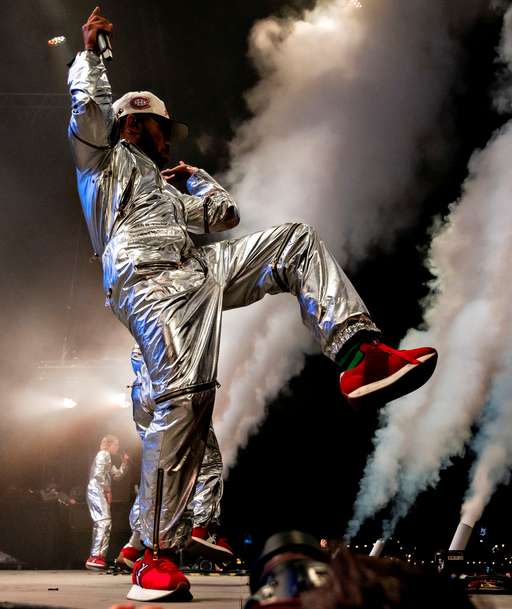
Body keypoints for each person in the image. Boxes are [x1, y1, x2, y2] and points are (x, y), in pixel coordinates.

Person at [68, 7, 437, 602]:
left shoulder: (172, 189)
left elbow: (225, 217)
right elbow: (86, 113)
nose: (161, 137)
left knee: (291, 240)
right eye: (157, 128)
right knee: (186, 397)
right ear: (141, 126)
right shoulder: (102, 166)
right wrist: (95, 57)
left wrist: (196, 179)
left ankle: (358, 352)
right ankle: (155, 554)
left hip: (197, 269)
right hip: (147, 275)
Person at [116, 347, 233, 570]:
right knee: (207, 463)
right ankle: (202, 528)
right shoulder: (184, 311)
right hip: (175, 386)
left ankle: (133, 545)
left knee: (155, 469)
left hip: (141, 391)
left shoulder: (141, 310)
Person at [85, 435, 129, 570]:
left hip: (99, 490)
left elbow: (117, 475)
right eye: (116, 445)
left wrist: (124, 464)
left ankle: (99, 556)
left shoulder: (107, 458)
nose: (118, 448)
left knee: (105, 522)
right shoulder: (103, 454)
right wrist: (107, 490)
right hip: (96, 491)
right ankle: (95, 556)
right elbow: (98, 475)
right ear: (109, 445)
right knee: (103, 522)